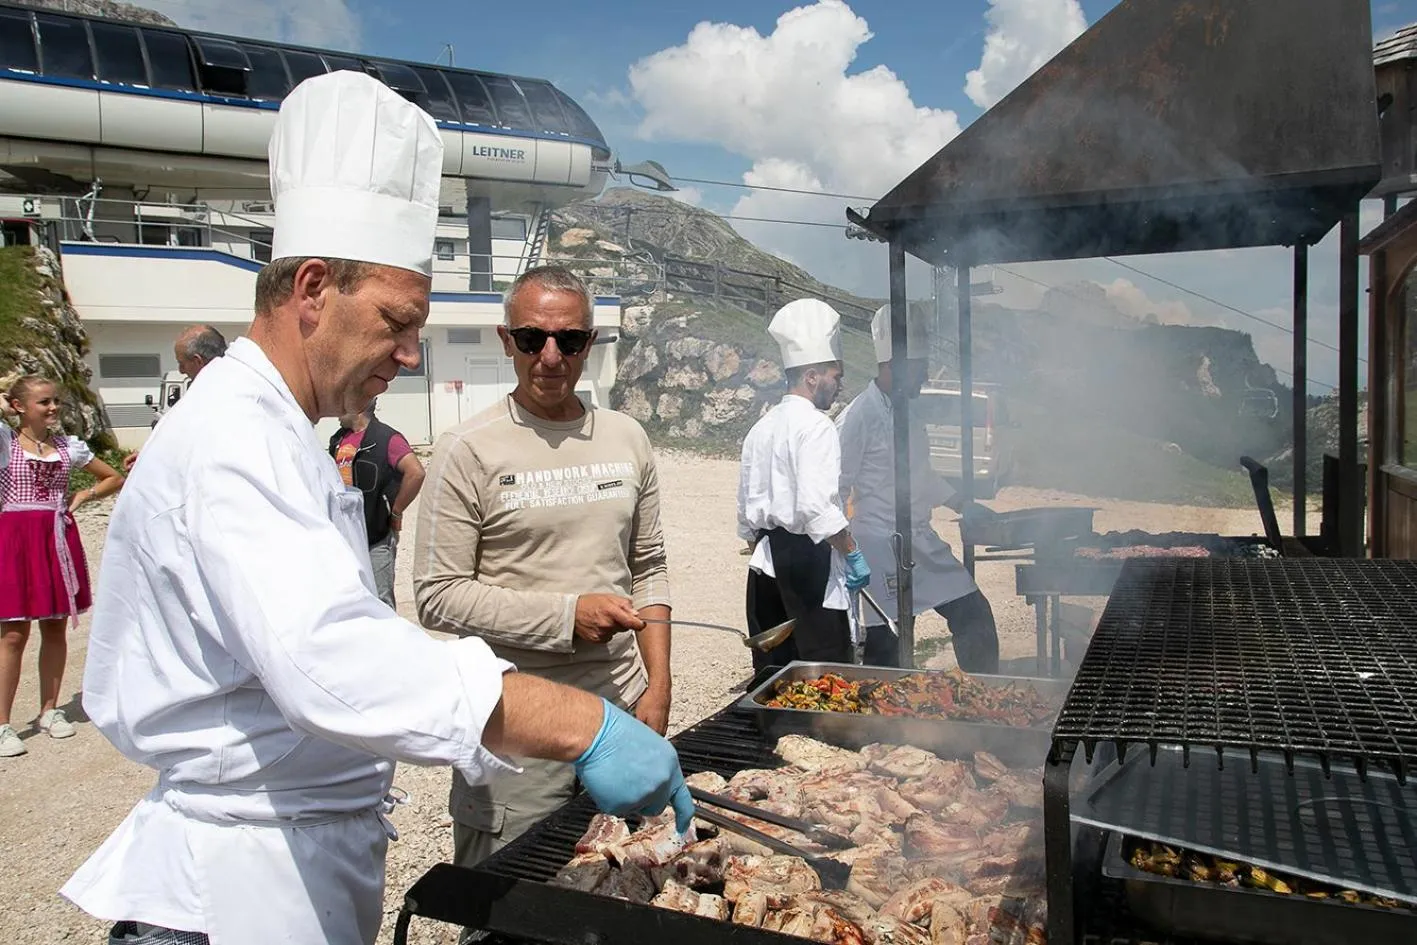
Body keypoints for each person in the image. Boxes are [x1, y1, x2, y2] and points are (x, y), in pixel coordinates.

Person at [60, 71, 691, 945]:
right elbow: (334, 662)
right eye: (397, 320)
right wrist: (586, 725)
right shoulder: (236, 438)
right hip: (233, 892)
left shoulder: (278, 428)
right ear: (312, 288)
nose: (405, 353)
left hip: (283, 860)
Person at [413, 264, 673, 868]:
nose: (550, 356)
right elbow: (437, 596)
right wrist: (565, 617)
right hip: (517, 726)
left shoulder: (626, 437)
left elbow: (650, 565)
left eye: (570, 340)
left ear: (591, 342)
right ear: (507, 341)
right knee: (510, 896)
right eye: (532, 339)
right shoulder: (467, 449)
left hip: (621, 706)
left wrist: (658, 688)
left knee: (618, 886)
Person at [837, 304, 1001, 672]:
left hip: (919, 539)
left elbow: (922, 476)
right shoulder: (858, 416)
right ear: (893, 366)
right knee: (890, 638)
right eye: (920, 367)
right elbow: (837, 487)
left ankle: (987, 698)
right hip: (878, 545)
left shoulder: (908, 413)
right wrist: (844, 551)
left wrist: (963, 503)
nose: (925, 376)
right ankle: (881, 719)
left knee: (973, 613)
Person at [737, 299, 871, 680]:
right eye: (835, 375)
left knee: (774, 675)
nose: (840, 384)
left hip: (763, 565)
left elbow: (745, 516)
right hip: (806, 567)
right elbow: (817, 508)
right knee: (825, 674)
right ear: (812, 376)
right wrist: (853, 552)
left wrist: (764, 544)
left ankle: (772, 738)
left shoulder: (761, 427)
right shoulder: (816, 426)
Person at [0, 375, 124, 758]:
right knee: (12, 635)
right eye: (43, 402)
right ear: (20, 406)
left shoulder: (67, 447)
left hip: (55, 538)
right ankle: (3, 724)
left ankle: (49, 711)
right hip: (15, 538)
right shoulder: (5, 443)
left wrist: (82, 495)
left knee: (55, 628)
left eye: (56, 401)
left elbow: (113, 477)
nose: (53, 408)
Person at [329, 399, 425, 608]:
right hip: (345, 538)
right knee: (350, 599)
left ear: (357, 407)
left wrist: (396, 511)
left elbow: (415, 473)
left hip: (376, 536)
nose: (337, 413)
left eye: (342, 405)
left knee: (381, 601)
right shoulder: (338, 440)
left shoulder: (385, 438)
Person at [124, 325, 227, 473]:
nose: (181, 370)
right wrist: (149, 457)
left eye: (182, 363)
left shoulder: (222, 395)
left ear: (198, 361)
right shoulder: (206, 391)